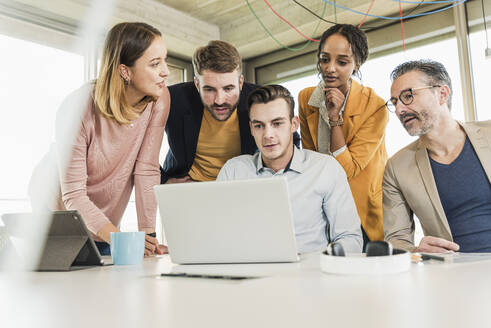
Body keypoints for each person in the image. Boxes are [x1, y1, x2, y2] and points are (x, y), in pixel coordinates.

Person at [54, 22, 170, 256]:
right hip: (62, 226)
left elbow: (146, 169)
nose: (165, 71)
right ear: (125, 71)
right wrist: (117, 236)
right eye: (155, 64)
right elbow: (74, 195)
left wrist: (149, 238)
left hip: (106, 228)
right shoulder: (77, 107)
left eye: (164, 60)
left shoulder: (160, 98)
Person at [218, 85, 362, 254]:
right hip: (249, 273)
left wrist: (319, 264)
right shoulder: (233, 171)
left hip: (309, 273)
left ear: (294, 124)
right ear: (251, 128)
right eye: (259, 126)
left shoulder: (325, 168)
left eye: (277, 123)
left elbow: (350, 238)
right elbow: (216, 234)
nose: (268, 135)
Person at [383, 59, 491, 253]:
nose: (399, 109)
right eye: (394, 102)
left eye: (408, 96)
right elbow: (396, 239)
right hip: (453, 275)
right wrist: (416, 251)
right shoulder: (396, 168)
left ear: (442, 94)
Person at [298, 24, 388, 245]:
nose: (330, 68)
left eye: (342, 62)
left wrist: (334, 117)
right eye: (325, 59)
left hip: (363, 211)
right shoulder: (306, 99)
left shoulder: (375, 107)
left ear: (357, 64)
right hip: (323, 208)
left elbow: (348, 170)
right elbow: (310, 160)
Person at [161, 40, 299, 184]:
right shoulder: (172, 99)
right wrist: (165, 181)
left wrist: (270, 179)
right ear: (197, 84)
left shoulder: (260, 100)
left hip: (242, 186)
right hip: (188, 187)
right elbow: (138, 147)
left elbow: (291, 140)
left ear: (240, 82)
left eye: (228, 89)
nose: (219, 100)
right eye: (209, 89)